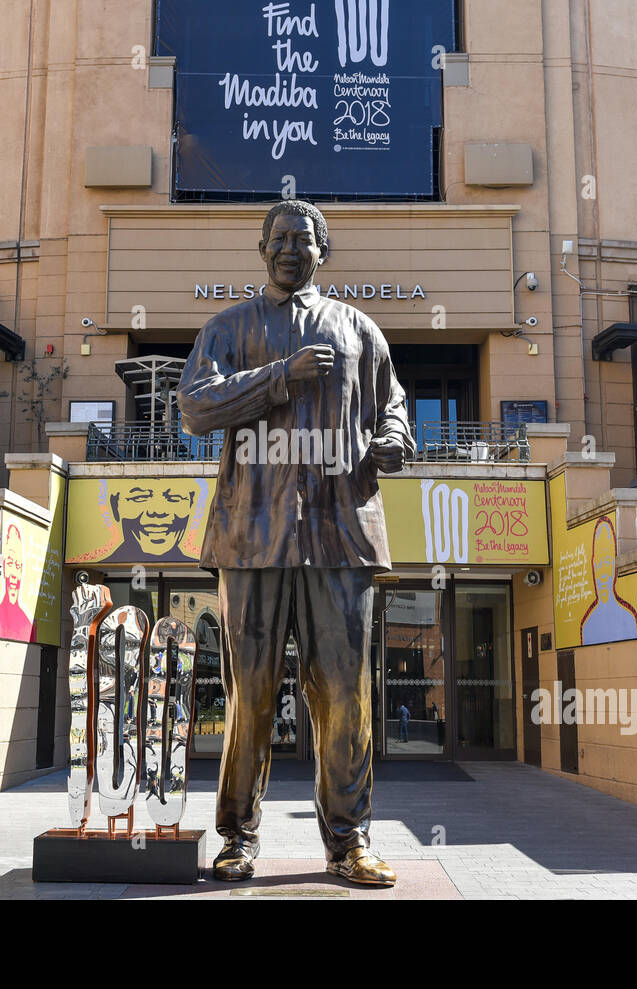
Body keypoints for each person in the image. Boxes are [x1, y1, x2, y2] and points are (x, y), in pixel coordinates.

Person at [178, 200, 414, 887]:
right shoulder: (228, 327)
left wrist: (394, 437)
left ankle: (350, 842)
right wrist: (280, 376)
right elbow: (195, 405)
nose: (290, 249)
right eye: (278, 239)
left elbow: (392, 405)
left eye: (303, 240)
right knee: (248, 693)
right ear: (261, 250)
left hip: (341, 535)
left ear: (323, 250)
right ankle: (238, 838)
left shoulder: (358, 329)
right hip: (252, 535)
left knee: (346, 693)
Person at [0, 523, 35, 641]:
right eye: (10, 563)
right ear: (4, 567)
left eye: (18, 565)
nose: (14, 575)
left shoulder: (28, 625)